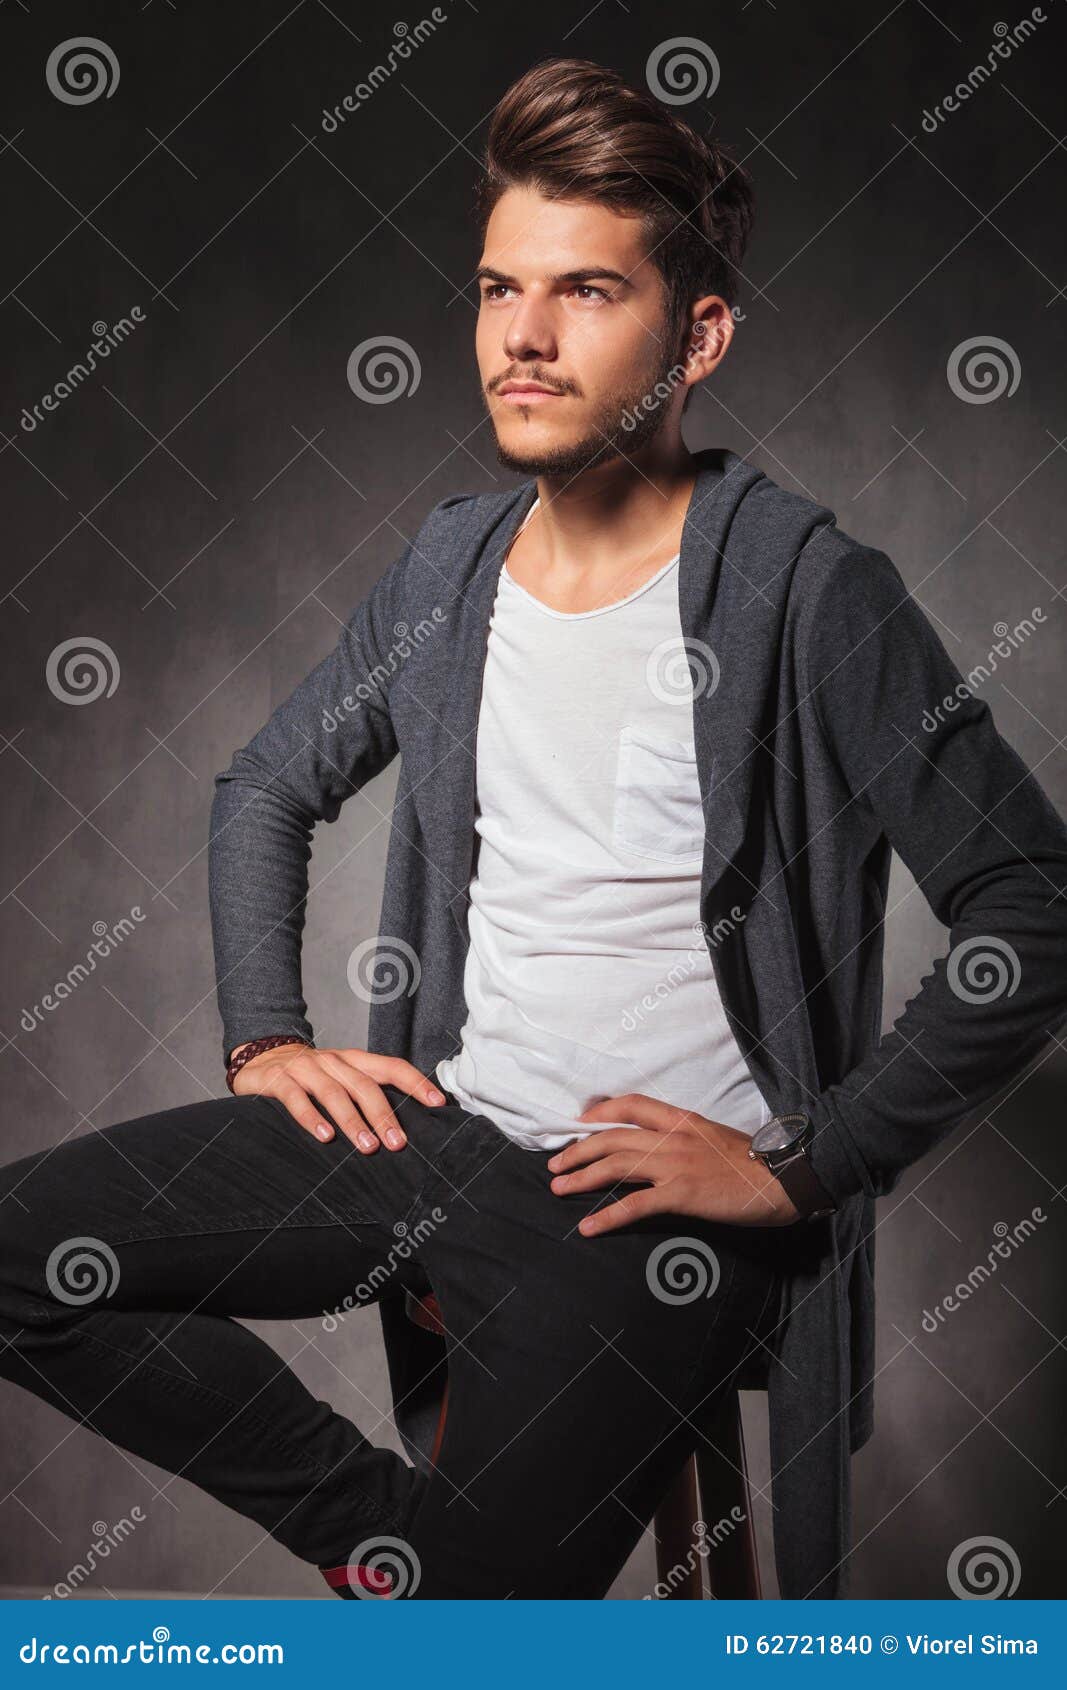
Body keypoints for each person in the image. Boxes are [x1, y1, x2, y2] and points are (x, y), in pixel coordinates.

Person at [2, 57, 1066, 1602]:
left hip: (636, 1214)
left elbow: (1032, 903)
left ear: (696, 334)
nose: (524, 335)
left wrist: (805, 1165)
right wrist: (262, 1039)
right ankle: (396, 1554)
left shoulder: (809, 594)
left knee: (487, 1619)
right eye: (500, 288)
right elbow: (263, 789)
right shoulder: (451, 571)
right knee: (23, 1256)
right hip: (439, 1142)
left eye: (584, 291)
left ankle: (429, 1579)